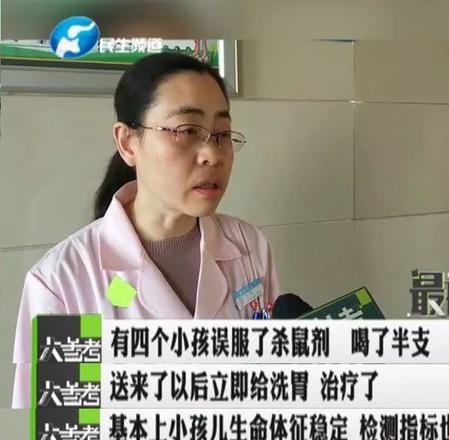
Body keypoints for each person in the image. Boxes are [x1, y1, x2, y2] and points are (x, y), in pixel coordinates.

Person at [12, 53, 281, 408]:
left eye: (223, 135)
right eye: (187, 131)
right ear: (128, 142)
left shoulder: (248, 245)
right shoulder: (63, 282)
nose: (213, 155)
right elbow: (63, 435)